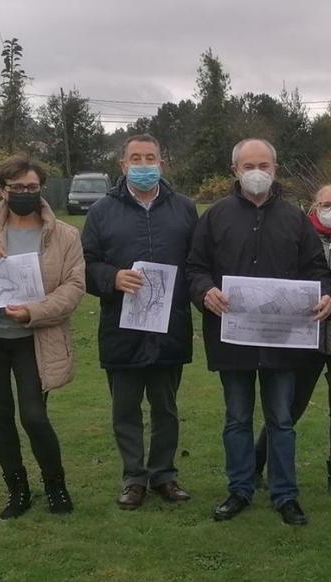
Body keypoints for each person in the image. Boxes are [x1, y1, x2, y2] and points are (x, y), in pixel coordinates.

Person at [185, 138, 331, 526]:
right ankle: (240, 489)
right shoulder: (215, 216)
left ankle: (285, 494)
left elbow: (317, 271)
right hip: (231, 339)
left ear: (275, 170)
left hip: (282, 343)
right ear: (235, 170)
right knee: (236, 418)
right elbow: (194, 268)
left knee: (281, 420)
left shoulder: (294, 218)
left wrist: (327, 297)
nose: (257, 172)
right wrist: (204, 291)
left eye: (264, 165)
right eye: (249, 165)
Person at [0, 155, 86, 519]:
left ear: (42, 188)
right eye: (17, 187)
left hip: (34, 340)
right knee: (1, 417)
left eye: (32, 187)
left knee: (35, 417)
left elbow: (73, 288)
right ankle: (17, 490)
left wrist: (34, 312)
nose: (25, 193)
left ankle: (55, 485)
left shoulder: (66, 236)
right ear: (1, 191)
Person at [82, 134, 198, 510]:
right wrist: (111, 278)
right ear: (123, 165)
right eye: (136, 157)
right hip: (121, 325)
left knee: (166, 407)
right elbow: (84, 266)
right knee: (125, 408)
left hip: (170, 326)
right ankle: (134, 477)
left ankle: (164, 474)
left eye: (151, 157)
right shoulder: (101, 211)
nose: (144, 164)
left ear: (162, 164)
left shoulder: (183, 209)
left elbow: (197, 264)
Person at [253, 183, 331, 497]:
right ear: (313, 206)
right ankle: (256, 465)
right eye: (325, 204)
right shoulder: (298, 238)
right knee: (286, 409)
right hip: (302, 340)